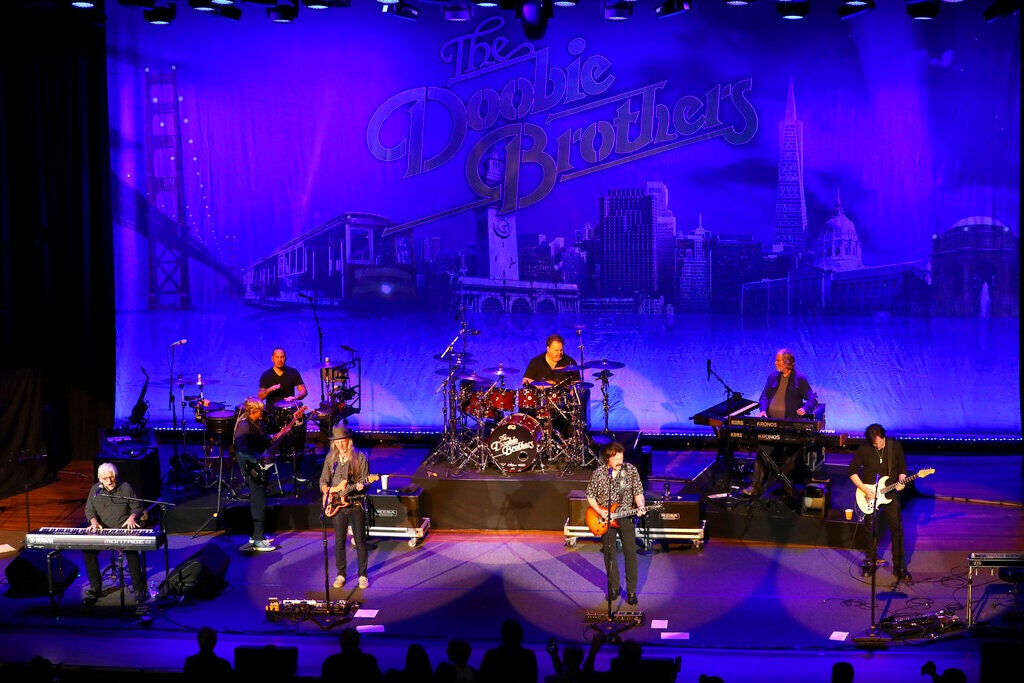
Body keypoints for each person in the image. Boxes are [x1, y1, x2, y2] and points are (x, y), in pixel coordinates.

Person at [742, 348, 818, 498]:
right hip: (770, 424)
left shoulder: (799, 379)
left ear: (788, 363)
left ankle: (788, 489)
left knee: (789, 457)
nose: (775, 362)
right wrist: (763, 410)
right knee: (762, 452)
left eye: (778, 360)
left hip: (788, 427)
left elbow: (812, 399)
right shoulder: (772, 376)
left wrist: (805, 407)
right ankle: (755, 487)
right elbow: (763, 397)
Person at [848, 423, 912, 584]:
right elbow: (852, 471)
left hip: (890, 493)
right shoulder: (864, 449)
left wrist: (901, 480)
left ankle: (900, 567)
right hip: (869, 495)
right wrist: (864, 489)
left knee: (897, 530)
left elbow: (903, 468)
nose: (878, 445)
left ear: (884, 436)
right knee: (869, 530)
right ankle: (870, 562)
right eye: (875, 443)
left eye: (880, 441)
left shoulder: (894, 446)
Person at [586, 442, 648, 605]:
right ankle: (613, 588)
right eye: (616, 459)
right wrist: (600, 512)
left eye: (621, 458)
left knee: (630, 553)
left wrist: (641, 506)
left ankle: (632, 591)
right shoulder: (599, 474)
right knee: (609, 554)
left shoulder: (631, 470)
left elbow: (638, 492)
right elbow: (590, 495)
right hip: (605, 518)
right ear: (608, 459)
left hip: (625, 517)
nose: (620, 462)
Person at [81, 462, 148, 606]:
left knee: (131, 552)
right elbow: (89, 510)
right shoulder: (95, 490)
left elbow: (137, 506)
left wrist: (132, 518)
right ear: (100, 479)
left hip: (123, 529)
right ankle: (95, 588)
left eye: (112, 477)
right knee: (88, 551)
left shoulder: (126, 487)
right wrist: (93, 522)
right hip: (103, 530)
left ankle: (138, 590)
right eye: (106, 478)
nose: (110, 481)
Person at [233, 396, 289, 551]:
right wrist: (258, 458)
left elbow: (261, 440)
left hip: (259, 464)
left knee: (259, 500)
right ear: (251, 411)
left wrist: (276, 436)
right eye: (259, 411)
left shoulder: (258, 423)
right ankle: (258, 540)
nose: (262, 414)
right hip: (252, 466)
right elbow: (242, 451)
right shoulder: (243, 426)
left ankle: (255, 535)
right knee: (259, 502)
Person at [321, 423, 372, 589]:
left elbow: (365, 482)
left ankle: (362, 575)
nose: (341, 445)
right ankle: (341, 574)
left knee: (360, 541)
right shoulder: (331, 458)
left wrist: (361, 485)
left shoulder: (360, 458)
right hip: (337, 506)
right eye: (337, 442)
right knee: (339, 541)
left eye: (343, 441)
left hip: (355, 503)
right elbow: (323, 481)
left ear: (348, 441)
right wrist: (331, 491)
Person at [258, 347, 309, 484]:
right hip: (272, 413)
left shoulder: (292, 372)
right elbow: (260, 395)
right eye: (277, 357)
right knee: (270, 442)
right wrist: (269, 389)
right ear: (272, 358)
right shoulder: (266, 375)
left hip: (290, 412)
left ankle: (296, 469)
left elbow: (303, 390)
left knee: (296, 441)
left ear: (285, 358)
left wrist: (296, 397)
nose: (280, 359)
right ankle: (265, 472)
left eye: (282, 357)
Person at [522, 333, 582, 439]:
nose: (559, 353)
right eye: (556, 350)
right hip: (539, 403)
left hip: (562, 405)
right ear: (548, 349)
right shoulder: (536, 361)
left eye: (561, 350)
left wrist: (573, 395)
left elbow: (577, 384)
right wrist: (538, 386)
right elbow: (525, 380)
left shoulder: (570, 362)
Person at [479, 618, 538, 683]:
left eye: (513, 634)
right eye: (509, 633)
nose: (511, 637)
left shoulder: (491, 655)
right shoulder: (528, 656)